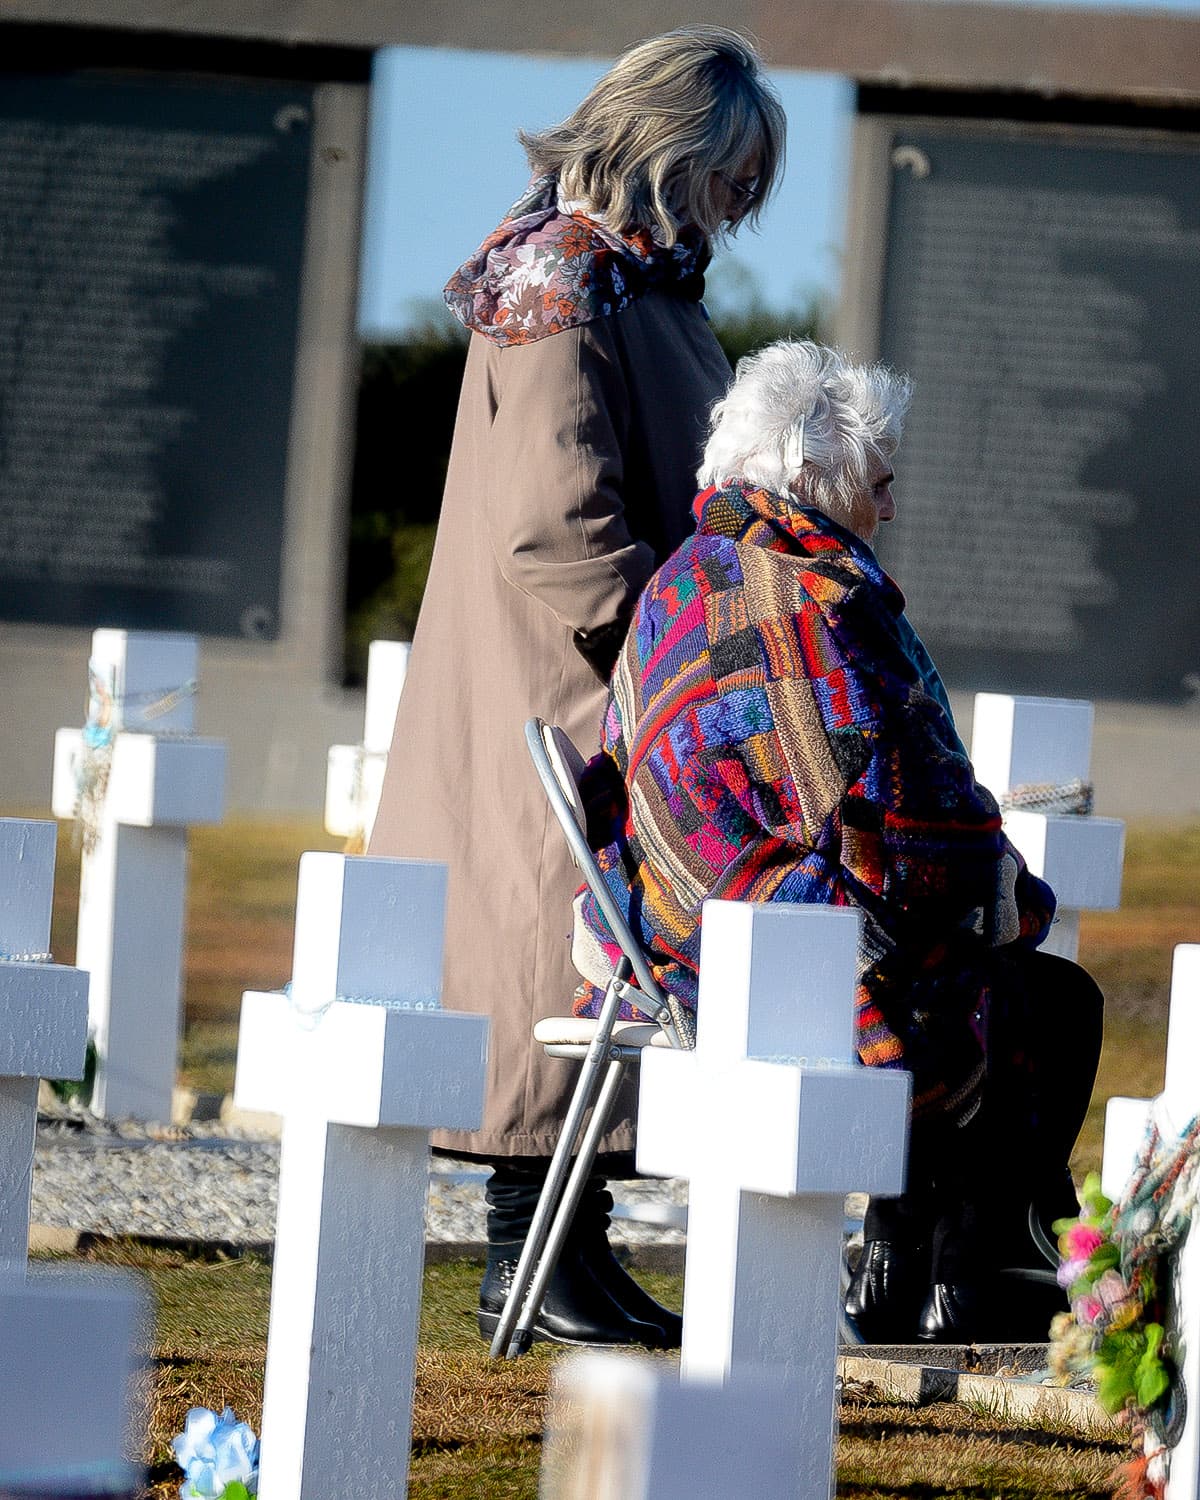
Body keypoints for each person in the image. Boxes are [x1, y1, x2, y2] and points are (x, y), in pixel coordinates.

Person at [369, 28, 787, 1349]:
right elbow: (559, 523)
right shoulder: (564, 278)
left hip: (615, 692)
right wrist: (666, 669)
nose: (736, 207)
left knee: (598, 966)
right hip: (567, 693)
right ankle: (526, 1261)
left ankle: (571, 1253)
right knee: (556, 949)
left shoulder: (640, 283)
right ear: (669, 148)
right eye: (731, 175)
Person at [572, 339, 1104, 1344]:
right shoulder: (813, 603)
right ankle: (977, 1282)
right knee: (1039, 994)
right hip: (771, 961)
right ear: (813, 477)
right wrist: (1011, 893)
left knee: (962, 963)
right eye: (881, 481)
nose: (889, 508)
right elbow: (909, 836)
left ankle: (911, 1272)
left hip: (683, 934)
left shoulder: (690, 576)